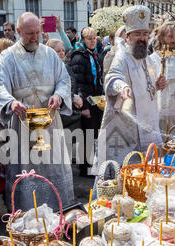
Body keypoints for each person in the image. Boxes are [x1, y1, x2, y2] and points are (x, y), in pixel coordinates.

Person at [0, 12, 74, 212]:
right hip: (23, 124)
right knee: (28, 169)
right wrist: (10, 103)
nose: (35, 37)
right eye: (29, 33)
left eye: (37, 32)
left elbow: (64, 80)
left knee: (54, 166)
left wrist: (59, 96)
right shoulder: (7, 56)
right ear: (18, 32)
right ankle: (28, 219)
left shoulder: (50, 54)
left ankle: (59, 213)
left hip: (50, 121)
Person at [97, 5, 165, 170]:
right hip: (125, 127)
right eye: (137, 34)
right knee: (123, 176)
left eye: (145, 34)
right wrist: (122, 87)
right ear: (128, 37)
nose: (142, 38)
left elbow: (146, 90)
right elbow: (112, 77)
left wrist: (156, 86)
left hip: (147, 125)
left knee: (146, 175)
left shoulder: (147, 59)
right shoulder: (121, 56)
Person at [70, 27, 104, 177]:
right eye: (89, 39)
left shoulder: (93, 54)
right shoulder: (79, 56)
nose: (92, 41)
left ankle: (91, 165)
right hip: (86, 102)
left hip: (95, 100)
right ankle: (85, 169)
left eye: (94, 38)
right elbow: (78, 84)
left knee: (94, 134)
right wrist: (83, 106)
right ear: (83, 40)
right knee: (87, 135)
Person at [47, 38, 83, 131]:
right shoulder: (49, 70)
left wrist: (79, 96)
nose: (62, 53)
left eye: (63, 50)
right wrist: (72, 97)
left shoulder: (66, 66)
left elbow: (75, 84)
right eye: (58, 51)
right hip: (60, 114)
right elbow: (54, 90)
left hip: (73, 114)